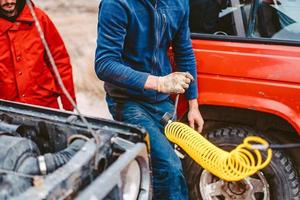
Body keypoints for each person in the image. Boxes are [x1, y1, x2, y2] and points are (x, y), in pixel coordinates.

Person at [95, 0, 204, 199]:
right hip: (128, 101)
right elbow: (105, 64)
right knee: (168, 168)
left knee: (173, 165)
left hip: (161, 101)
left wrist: (193, 104)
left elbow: (184, 51)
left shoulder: (179, 3)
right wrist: (159, 82)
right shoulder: (116, 4)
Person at [0, 0, 76, 111]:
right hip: (6, 111)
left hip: (44, 106)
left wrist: (69, 106)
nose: (9, 1)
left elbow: (60, 61)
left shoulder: (39, 19)